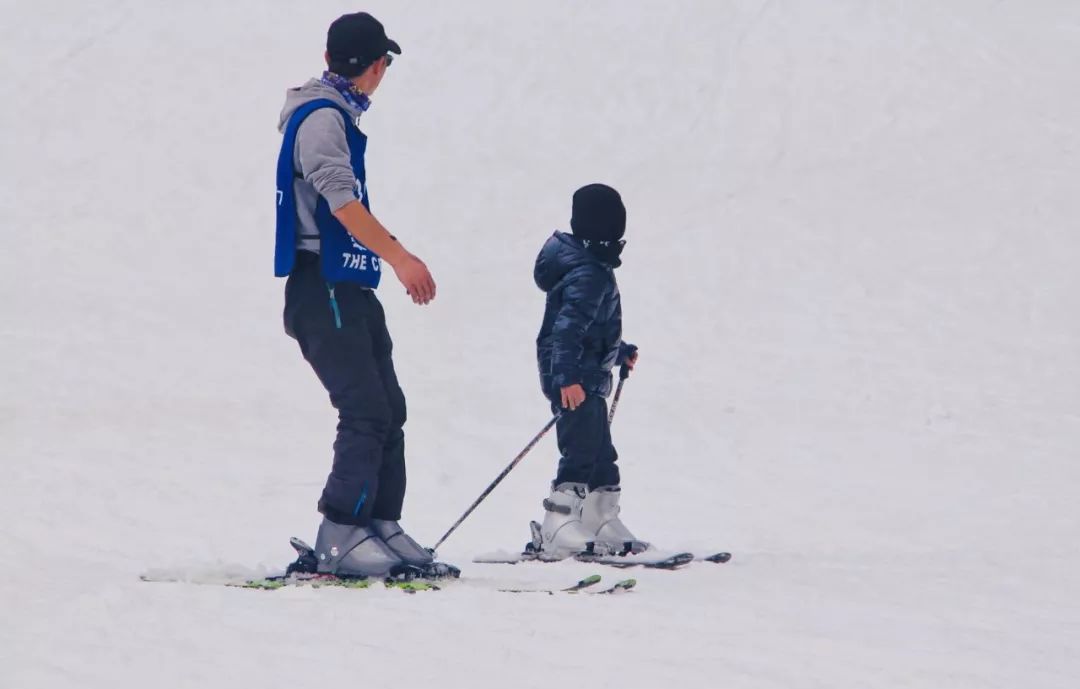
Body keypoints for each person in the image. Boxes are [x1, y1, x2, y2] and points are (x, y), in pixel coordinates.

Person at [274, 12, 437, 577]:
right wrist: (401, 256)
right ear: (371, 66)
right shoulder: (322, 119)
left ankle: (379, 523)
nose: (383, 74)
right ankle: (341, 529)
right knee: (365, 409)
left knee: (389, 408)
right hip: (324, 286)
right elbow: (341, 203)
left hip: (347, 285)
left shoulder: (336, 116)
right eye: (384, 63)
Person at [532, 183, 645, 558]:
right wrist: (566, 377)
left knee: (601, 453)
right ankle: (557, 524)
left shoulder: (592, 268)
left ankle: (599, 518)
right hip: (574, 381)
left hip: (586, 377)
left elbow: (593, 329)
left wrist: (618, 351)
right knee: (580, 451)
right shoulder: (588, 273)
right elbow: (566, 331)